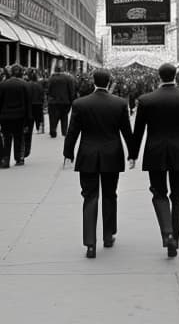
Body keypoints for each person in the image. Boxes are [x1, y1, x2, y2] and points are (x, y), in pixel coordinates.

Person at [130, 62, 179, 257]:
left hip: (155, 151)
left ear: (158, 77)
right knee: (178, 197)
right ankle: (175, 237)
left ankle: (166, 231)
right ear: (175, 75)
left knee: (159, 193)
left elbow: (138, 131)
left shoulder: (146, 100)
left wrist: (133, 154)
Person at [63, 68, 134, 259]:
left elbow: (72, 131)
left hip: (87, 154)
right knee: (110, 195)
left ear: (93, 81)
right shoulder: (119, 104)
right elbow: (126, 131)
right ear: (109, 82)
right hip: (112, 154)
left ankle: (90, 244)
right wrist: (133, 153)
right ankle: (108, 235)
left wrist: (68, 152)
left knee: (89, 197)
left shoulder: (80, 104)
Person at [0, 64, 32, 167]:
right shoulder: (25, 85)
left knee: (6, 137)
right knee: (19, 137)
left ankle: (6, 159)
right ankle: (19, 158)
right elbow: (28, 103)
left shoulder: (2, 85)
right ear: (21, 72)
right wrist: (29, 119)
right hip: (20, 116)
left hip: (5, 116)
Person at [47, 61, 77, 138]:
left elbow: (48, 90)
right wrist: (71, 101)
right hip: (65, 101)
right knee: (64, 117)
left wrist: (49, 98)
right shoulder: (68, 78)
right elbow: (71, 91)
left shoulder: (51, 78)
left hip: (53, 101)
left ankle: (53, 131)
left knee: (53, 117)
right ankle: (64, 131)